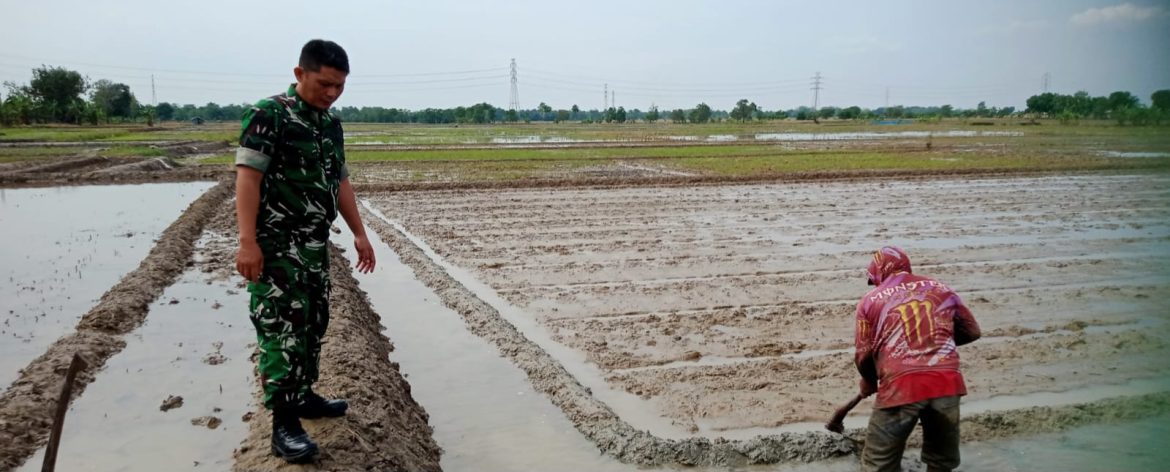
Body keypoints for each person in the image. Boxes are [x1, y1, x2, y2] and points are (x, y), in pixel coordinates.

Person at [234, 39, 376, 463]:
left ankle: (305, 395)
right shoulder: (269, 115)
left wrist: (359, 233)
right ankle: (284, 423)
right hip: (276, 247)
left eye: (340, 86)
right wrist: (248, 242)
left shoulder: (329, 124)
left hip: (314, 245)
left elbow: (341, 181)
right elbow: (248, 178)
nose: (331, 93)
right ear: (300, 74)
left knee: (313, 322)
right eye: (324, 84)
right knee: (281, 330)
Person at [854, 246, 981, 472]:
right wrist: (934, 342)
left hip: (902, 386)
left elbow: (863, 354)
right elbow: (972, 331)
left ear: (879, 272)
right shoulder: (941, 288)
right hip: (947, 382)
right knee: (941, 462)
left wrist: (869, 380)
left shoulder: (870, 300)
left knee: (878, 465)